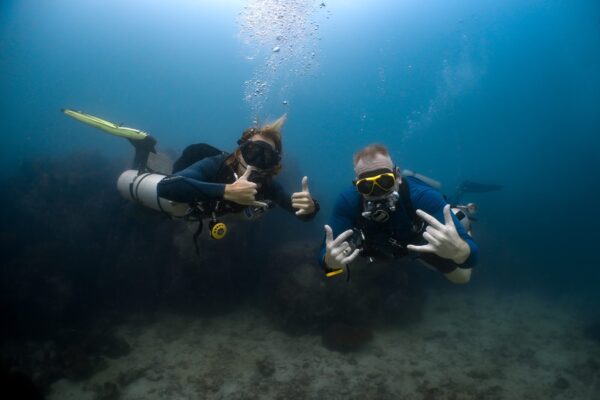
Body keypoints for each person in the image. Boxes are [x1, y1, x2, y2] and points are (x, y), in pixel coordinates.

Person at [318, 144, 478, 284]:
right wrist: (331, 264)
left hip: (422, 243)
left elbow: (472, 259)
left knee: (462, 278)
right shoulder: (348, 202)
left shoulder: (422, 196)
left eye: (385, 181)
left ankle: (461, 211)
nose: (378, 193)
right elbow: (325, 260)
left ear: (398, 176)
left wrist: (460, 250)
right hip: (387, 250)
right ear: (356, 185)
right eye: (366, 186)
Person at [156, 115, 319, 227]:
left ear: (272, 165)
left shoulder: (266, 185)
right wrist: (226, 191)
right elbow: (164, 186)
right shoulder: (217, 165)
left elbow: (303, 215)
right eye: (252, 152)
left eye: (266, 158)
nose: (256, 163)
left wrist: (311, 207)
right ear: (240, 152)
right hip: (183, 193)